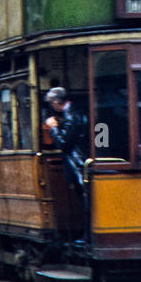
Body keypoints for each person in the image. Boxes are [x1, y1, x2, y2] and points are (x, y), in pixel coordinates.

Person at [44, 86, 89, 234]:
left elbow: (64, 143)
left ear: (56, 102)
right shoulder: (75, 112)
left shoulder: (70, 115)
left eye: (51, 103)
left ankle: (87, 236)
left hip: (78, 164)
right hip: (83, 162)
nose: (52, 106)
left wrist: (53, 128)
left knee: (85, 201)